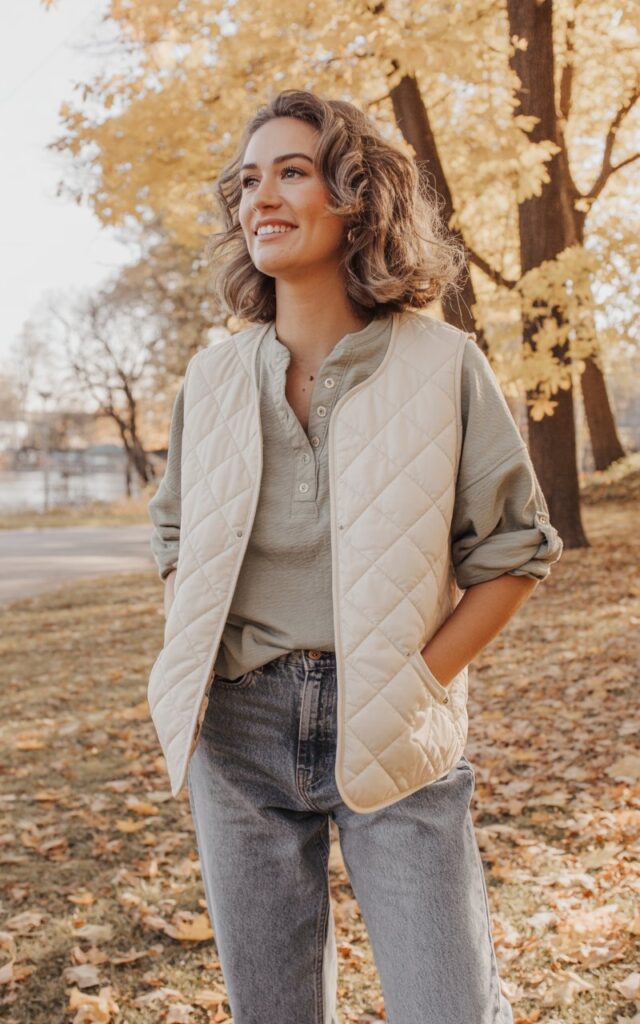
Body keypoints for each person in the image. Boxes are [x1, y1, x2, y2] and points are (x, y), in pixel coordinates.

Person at [147, 89, 563, 1024]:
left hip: (395, 720)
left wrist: (419, 681)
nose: (264, 197)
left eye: (293, 172)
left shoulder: (443, 361)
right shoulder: (214, 377)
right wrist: (197, 646)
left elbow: (512, 550)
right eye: (249, 181)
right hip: (239, 729)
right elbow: (172, 533)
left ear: (355, 196)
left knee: (449, 1008)